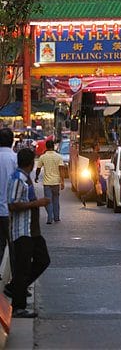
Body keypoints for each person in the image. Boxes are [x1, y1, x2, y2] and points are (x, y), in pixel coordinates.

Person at [7, 148, 50, 318]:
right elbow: (13, 204)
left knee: (43, 259)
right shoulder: (18, 179)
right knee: (22, 268)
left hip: (32, 230)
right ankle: (18, 306)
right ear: (31, 163)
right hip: (22, 230)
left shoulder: (25, 178)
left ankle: (17, 287)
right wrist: (37, 204)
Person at [35, 139, 65, 224]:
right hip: (56, 182)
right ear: (53, 146)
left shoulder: (43, 157)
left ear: (46, 147)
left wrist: (36, 177)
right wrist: (62, 182)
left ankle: (49, 218)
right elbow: (61, 170)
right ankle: (56, 217)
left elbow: (38, 168)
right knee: (56, 200)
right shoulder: (58, 156)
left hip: (47, 183)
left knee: (48, 201)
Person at [0, 127, 17, 278]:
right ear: (12, 142)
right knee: (13, 246)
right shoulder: (15, 159)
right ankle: (16, 280)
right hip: (9, 211)